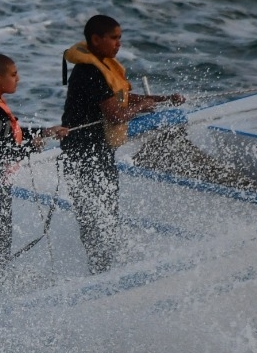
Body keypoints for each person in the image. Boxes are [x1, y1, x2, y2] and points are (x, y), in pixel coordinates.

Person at [60, 15, 184, 273]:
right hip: (83, 154)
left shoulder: (104, 66)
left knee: (107, 211)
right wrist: (143, 106)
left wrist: (163, 99)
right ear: (95, 40)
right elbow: (115, 114)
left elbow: (123, 97)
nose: (119, 43)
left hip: (99, 151)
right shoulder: (89, 72)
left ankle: (104, 267)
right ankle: (99, 270)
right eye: (114, 38)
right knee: (95, 216)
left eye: (120, 38)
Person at [0, 54, 67, 290]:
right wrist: (33, 146)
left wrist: (46, 131)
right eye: (13, 74)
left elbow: (9, 136)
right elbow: (3, 151)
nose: (18, 79)